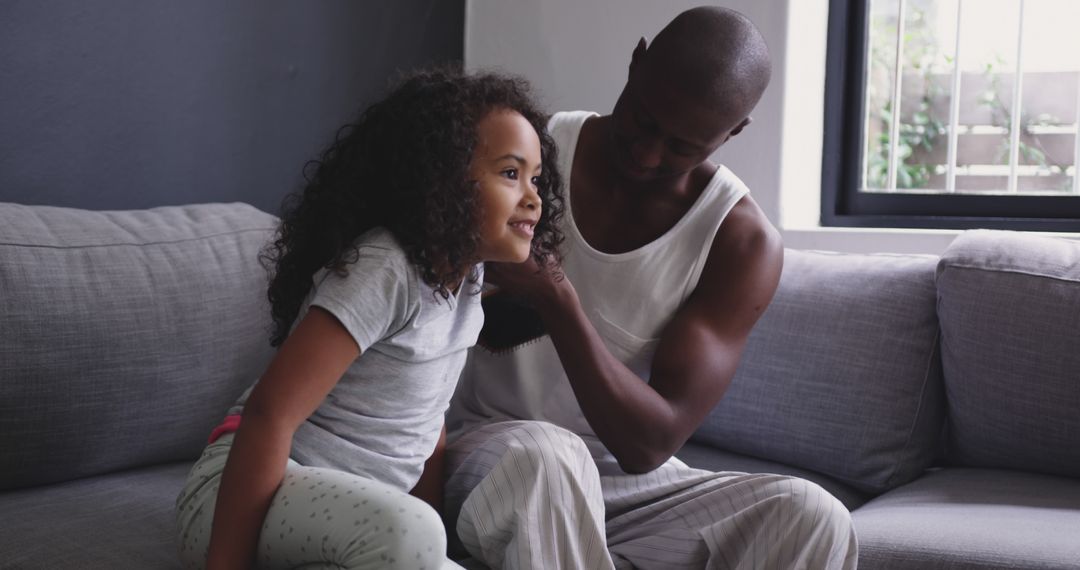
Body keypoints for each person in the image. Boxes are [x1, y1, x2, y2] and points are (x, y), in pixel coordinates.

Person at [444, 6, 858, 570]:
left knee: (811, 514)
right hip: (490, 450)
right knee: (546, 457)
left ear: (733, 131)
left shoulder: (739, 241)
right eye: (642, 120)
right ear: (636, 63)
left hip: (618, 480)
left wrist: (556, 298)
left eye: (682, 147)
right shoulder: (528, 156)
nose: (646, 154)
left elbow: (649, 445)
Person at [174, 68, 565, 570]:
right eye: (510, 173)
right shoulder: (387, 267)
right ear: (443, 180)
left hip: (351, 530)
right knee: (414, 531)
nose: (533, 196)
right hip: (236, 503)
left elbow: (428, 430)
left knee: (425, 540)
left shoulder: (468, 280)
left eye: (535, 177)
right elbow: (270, 414)